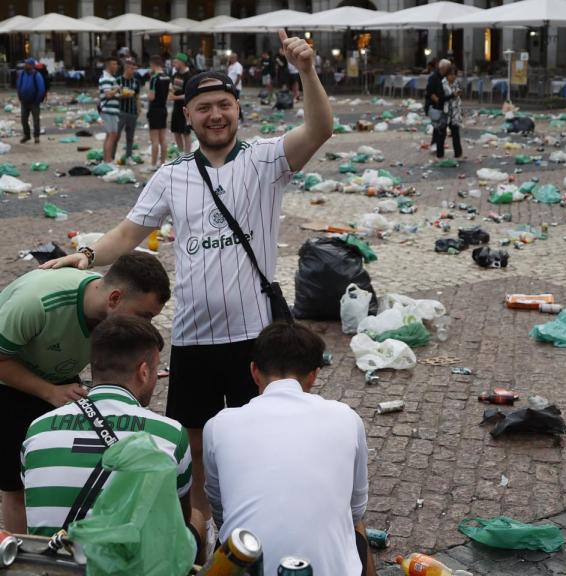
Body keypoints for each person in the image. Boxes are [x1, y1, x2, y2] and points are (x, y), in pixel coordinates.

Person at [43, 28, 334, 534]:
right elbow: (130, 232)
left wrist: (306, 70)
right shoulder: (171, 175)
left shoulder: (267, 159)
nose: (216, 115)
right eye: (204, 108)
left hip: (252, 334)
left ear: (238, 110)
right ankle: (199, 530)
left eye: (224, 104)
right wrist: (84, 256)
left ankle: (250, 523)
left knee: (254, 439)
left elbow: (320, 129)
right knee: (193, 442)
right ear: (188, 117)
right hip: (196, 335)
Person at [0, 253, 170, 534]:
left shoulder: (107, 311)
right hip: (8, 382)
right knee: (15, 486)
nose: (146, 326)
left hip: (59, 379)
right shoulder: (37, 304)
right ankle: (23, 557)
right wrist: (50, 392)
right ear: (114, 299)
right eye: (145, 316)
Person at [20, 315, 203, 560]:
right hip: (124, 567)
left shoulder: (38, 429)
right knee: (198, 520)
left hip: (52, 564)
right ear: (144, 372)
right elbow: (176, 523)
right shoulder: (169, 433)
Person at [204, 322, 371, 576]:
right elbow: (356, 508)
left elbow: (220, 509)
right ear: (314, 375)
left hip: (244, 562)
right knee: (355, 524)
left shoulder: (219, 425)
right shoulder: (346, 418)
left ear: (254, 371)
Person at [147, 55, 172, 172]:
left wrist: (148, 93)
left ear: (153, 64)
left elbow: (151, 97)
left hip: (154, 109)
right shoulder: (167, 77)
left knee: (155, 139)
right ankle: (163, 161)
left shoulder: (154, 78)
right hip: (163, 108)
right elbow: (170, 92)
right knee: (163, 138)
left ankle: (153, 164)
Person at [115, 58, 142, 165]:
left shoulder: (136, 82)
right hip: (121, 111)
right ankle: (111, 156)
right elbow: (114, 96)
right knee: (116, 135)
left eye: (134, 69)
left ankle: (128, 156)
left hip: (132, 112)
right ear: (126, 68)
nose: (133, 71)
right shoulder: (118, 81)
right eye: (131, 69)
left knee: (130, 137)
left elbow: (137, 97)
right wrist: (123, 95)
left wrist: (139, 109)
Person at [169, 53, 194, 157]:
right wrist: (170, 90)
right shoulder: (176, 74)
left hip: (185, 108)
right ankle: (180, 154)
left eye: (176, 62)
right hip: (176, 107)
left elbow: (189, 94)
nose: (174, 64)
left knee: (185, 132)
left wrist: (175, 97)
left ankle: (187, 155)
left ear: (182, 62)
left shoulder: (189, 76)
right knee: (176, 131)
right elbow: (174, 88)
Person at [16, 59, 46, 145]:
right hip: (24, 101)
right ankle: (27, 135)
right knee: (23, 119)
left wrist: (37, 100)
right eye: (25, 64)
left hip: (34, 102)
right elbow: (19, 85)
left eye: (27, 64)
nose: (25, 65)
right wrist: (20, 95)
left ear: (32, 66)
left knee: (36, 120)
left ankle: (36, 136)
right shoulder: (22, 74)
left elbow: (41, 89)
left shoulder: (37, 75)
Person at [426, 59, 450, 158]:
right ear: (443, 68)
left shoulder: (445, 77)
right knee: (439, 127)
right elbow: (430, 93)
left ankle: (436, 145)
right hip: (435, 106)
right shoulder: (434, 78)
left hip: (442, 105)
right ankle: (436, 147)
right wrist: (439, 103)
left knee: (439, 128)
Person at [99, 57, 121, 163]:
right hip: (108, 110)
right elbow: (108, 94)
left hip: (112, 110)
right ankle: (107, 160)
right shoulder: (105, 78)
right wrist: (117, 88)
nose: (116, 67)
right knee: (112, 135)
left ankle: (107, 159)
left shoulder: (111, 78)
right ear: (109, 65)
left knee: (110, 135)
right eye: (114, 64)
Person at [443, 65, 463, 159]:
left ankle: (458, 153)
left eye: (454, 74)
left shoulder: (457, 83)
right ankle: (439, 152)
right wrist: (452, 95)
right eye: (451, 74)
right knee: (442, 133)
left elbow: (460, 92)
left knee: (455, 132)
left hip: (455, 111)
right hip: (445, 110)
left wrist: (458, 93)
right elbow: (442, 97)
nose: (453, 77)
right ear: (447, 75)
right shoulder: (443, 83)